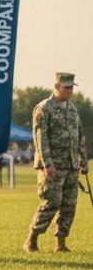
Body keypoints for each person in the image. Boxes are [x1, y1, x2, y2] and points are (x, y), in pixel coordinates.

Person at [24, 72, 87, 253]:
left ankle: (60, 242)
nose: (70, 90)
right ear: (57, 87)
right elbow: (40, 138)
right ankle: (32, 239)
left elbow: (79, 136)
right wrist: (47, 164)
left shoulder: (72, 108)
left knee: (69, 205)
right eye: (67, 87)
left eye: (72, 87)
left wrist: (82, 159)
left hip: (72, 166)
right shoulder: (44, 108)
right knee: (51, 203)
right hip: (53, 167)